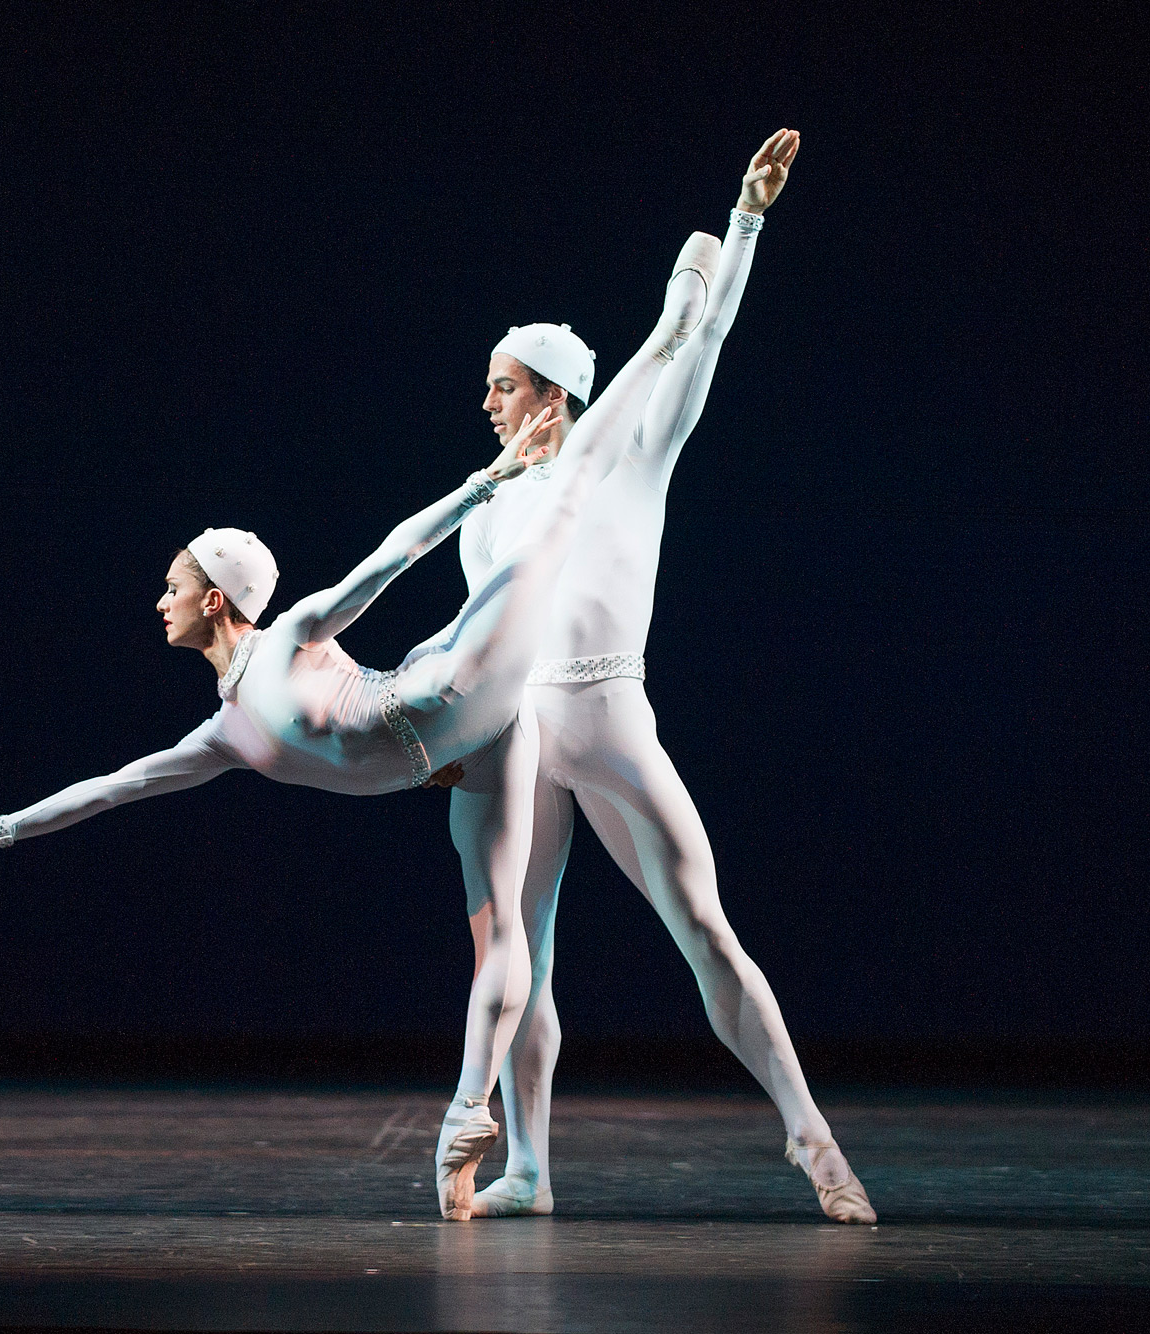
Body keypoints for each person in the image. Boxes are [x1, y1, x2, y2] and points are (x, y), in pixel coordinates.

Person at [0, 233, 721, 1220]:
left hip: (443, 688)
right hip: (459, 742)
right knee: (503, 932)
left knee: (538, 545)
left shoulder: (288, 635)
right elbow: (114, 785)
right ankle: (473, 1120)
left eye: (173, 585)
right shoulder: (222, 734)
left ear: (216, 600)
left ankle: (672, 328)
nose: (157, 599)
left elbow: (381, 563)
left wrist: (487, 479)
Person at [431, 132, 874, 1225]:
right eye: (486, 385)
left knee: (705, 932)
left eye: (501, 386)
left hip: (611, 716)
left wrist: (746, 220)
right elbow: (473, 635)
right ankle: (526, 1165)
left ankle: (811, 1137)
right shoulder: (486, 506)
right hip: (523, 735)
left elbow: (699, 333)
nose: (484, 401)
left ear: (550, 395)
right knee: (515, 958)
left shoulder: (631, 456)